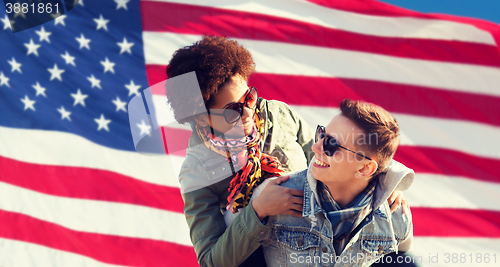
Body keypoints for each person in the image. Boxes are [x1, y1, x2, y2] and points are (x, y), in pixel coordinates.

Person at [165, 35, 410, 267]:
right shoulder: (196, 170)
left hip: (323, 240)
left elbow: (336, 155)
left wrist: (383, 181)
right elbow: (211, 260)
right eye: (232, 111)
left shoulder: (279, 115)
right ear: (200, 119)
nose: (249, 113)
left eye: (249, 98)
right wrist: (258, 211)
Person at [261, 99, 421, 267]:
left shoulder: (394, 213)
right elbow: (234, 254)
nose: (315, 147)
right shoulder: (275, 197)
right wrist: (257, 211)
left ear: (365, 169)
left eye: (331, 144)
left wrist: (390, 184)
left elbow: (403, 250)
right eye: (321, 134)